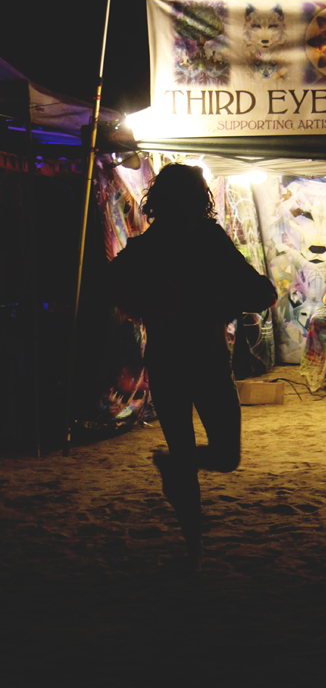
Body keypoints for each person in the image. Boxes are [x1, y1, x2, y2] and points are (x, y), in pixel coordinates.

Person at [109, 164, 277, 563]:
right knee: (222, 455)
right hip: (203, 360)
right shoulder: (205, 239)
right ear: (199, 197)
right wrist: (219, 303)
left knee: (197, 456)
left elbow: (112, 284)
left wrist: (150, 305)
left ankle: (192, 540)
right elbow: (263, 293)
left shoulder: (149, 246)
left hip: (172, 360)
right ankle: (192, 544)